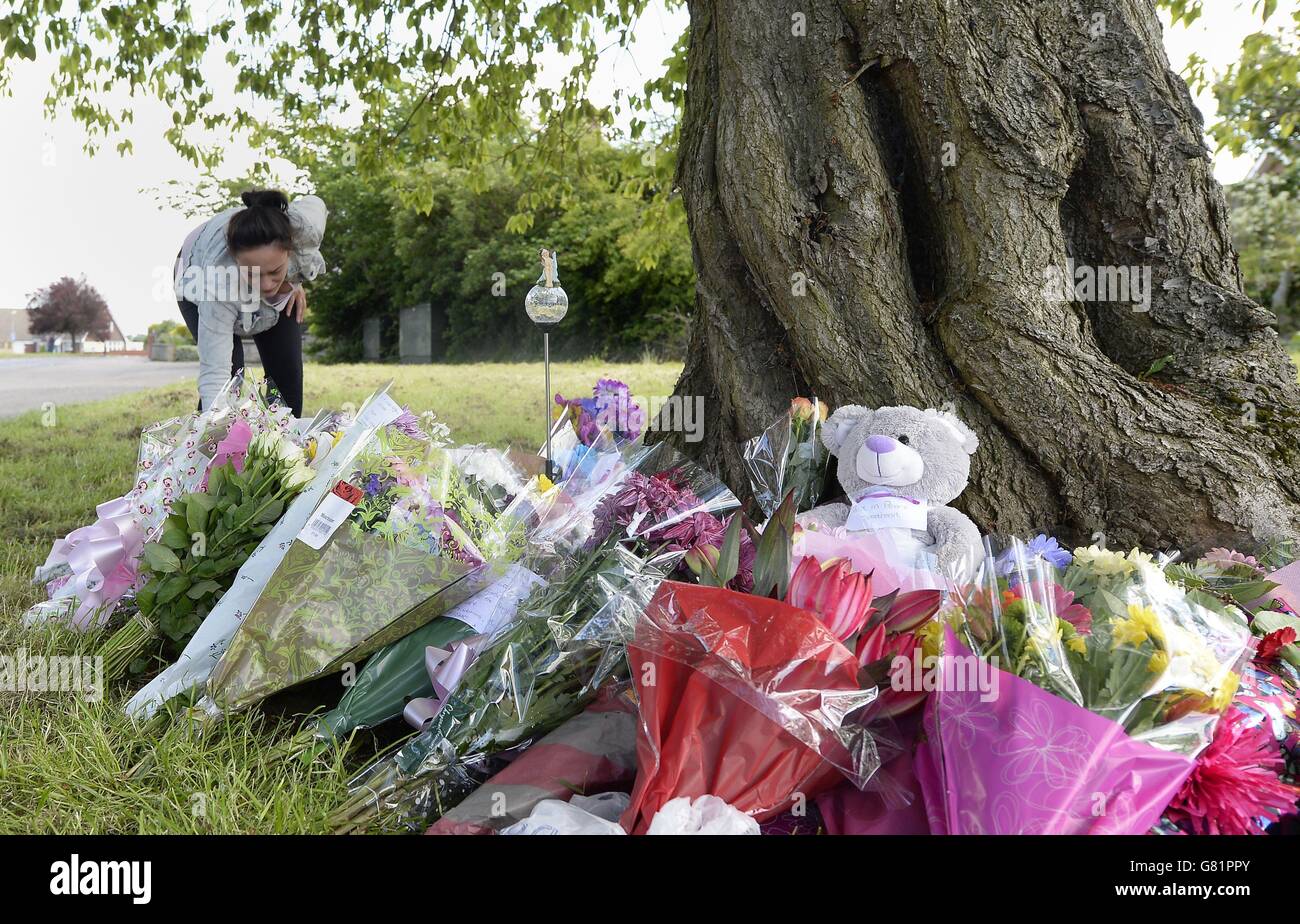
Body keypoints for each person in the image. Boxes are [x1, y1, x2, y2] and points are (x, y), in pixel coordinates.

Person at [173, 189, 328, 417]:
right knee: (232, 375)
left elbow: (316, 202)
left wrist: (294, 281)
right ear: (236, 261)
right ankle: (202, 447)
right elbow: (215, 374)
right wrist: (215, 429)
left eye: (274, 271)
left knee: (286, 378)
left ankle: (280, 445)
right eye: (253, 273)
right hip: (192, 268)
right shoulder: (218, 286)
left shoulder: (305, 228)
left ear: (290, 248)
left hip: (268, 262)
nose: (266, 286)